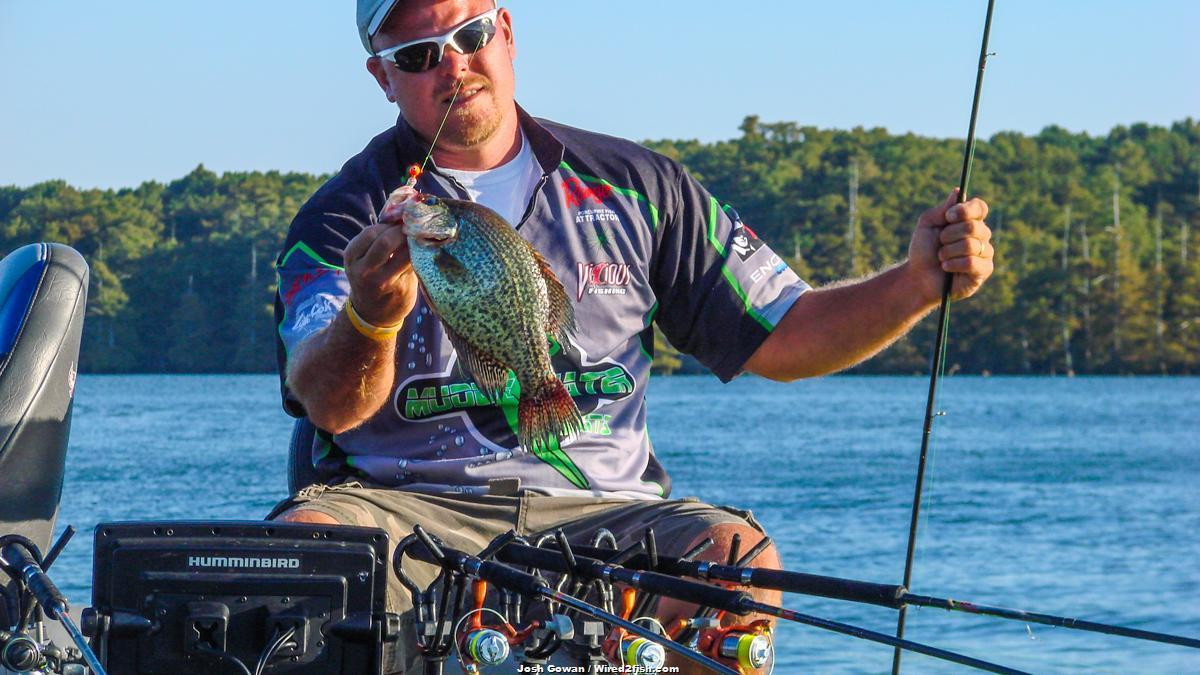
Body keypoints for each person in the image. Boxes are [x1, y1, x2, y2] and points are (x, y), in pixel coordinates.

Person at [269, 0, 995, 671]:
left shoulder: (636, 186)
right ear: (382, 77)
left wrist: (914, 282)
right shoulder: (345, 217)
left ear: (508, 33)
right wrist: (371, 312)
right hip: (406, 509)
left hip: (606, 512)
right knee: (303, 543)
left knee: (739, 556)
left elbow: (787, 335)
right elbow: (328, 406)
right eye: (420, 55)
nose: (454, 65)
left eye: (470, 34)